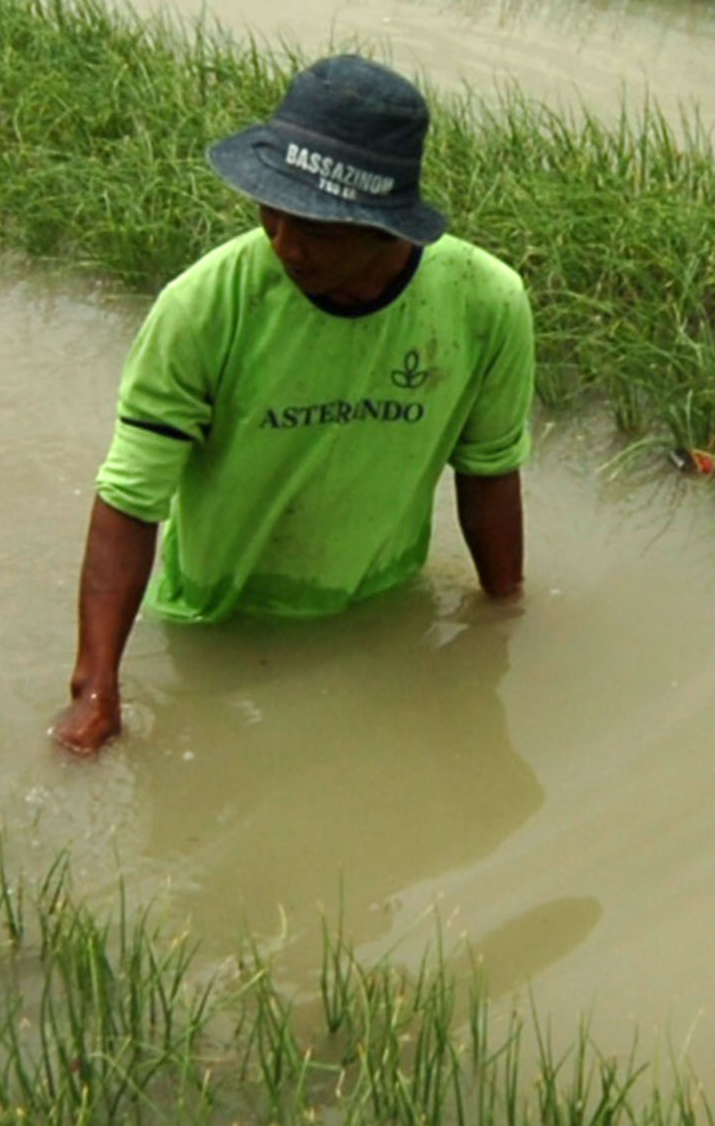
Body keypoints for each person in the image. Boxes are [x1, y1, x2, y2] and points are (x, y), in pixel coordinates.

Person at [55, 55, 533, 755]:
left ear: (387, 225)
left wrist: (505, 616)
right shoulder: (203, 307)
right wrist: (95, 688)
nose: (284, 242)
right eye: (270, 209)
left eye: (317, 225)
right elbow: (130, 499)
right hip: (215, 621)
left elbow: (489, 472)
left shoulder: (486, 303)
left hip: (380, 611)